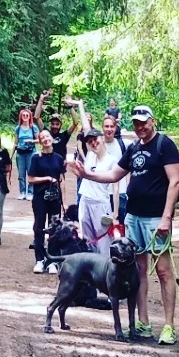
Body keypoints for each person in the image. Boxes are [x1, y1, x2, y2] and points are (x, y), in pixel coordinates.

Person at [72, 105, 179, 344]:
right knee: (138, 271)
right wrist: (87, 175)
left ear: (152, 121)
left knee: (163, 271)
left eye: (144, 122)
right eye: (136, 123)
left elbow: (175, 182)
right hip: (134, 217)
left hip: (156, 219)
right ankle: (143, 323)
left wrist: (167, 216)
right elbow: (114, 175)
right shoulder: (133, 148)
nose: (140, 126)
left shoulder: (164, 145)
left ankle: (168, 326)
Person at [66, 98, 116, 255]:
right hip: (85, 201)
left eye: (96, 139)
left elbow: (115, 188)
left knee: (103, 240)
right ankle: (91, 268)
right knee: (88, 240)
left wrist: (115, 213)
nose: (93, 143)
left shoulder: (112, 160)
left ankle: (105, 267)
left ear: (102, 139)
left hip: (101, 204)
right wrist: (80, 105)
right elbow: (86, 127)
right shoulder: (90, 156)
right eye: (90, 141)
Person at [28, 128, 67, 273]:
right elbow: (30, 179)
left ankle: (52, 260)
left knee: (54, 228)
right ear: (39, 141)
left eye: (47, 136)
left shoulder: (58, 158)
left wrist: (64, 201)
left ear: (52, 138)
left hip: (55, 198)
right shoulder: (36, 158)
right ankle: (39, 260)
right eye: (42, 137)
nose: (45, 139)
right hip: (40, 198)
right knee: (39, 227)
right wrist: (47, 179)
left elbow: (62, 180)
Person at [13, 91, 48, 199]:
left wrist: (31, 141)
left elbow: (39, 140)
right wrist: (11, 155)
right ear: (21, 117)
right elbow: (15, 142)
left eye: (27, 115)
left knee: (31, 172)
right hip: (20, 153)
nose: (25, 117)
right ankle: (22, 192)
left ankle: (30, 192)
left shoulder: (33, 127)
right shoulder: (18, 128)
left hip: (31, 153)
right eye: (23, 115)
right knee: (21, 174)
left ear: (30, 117)